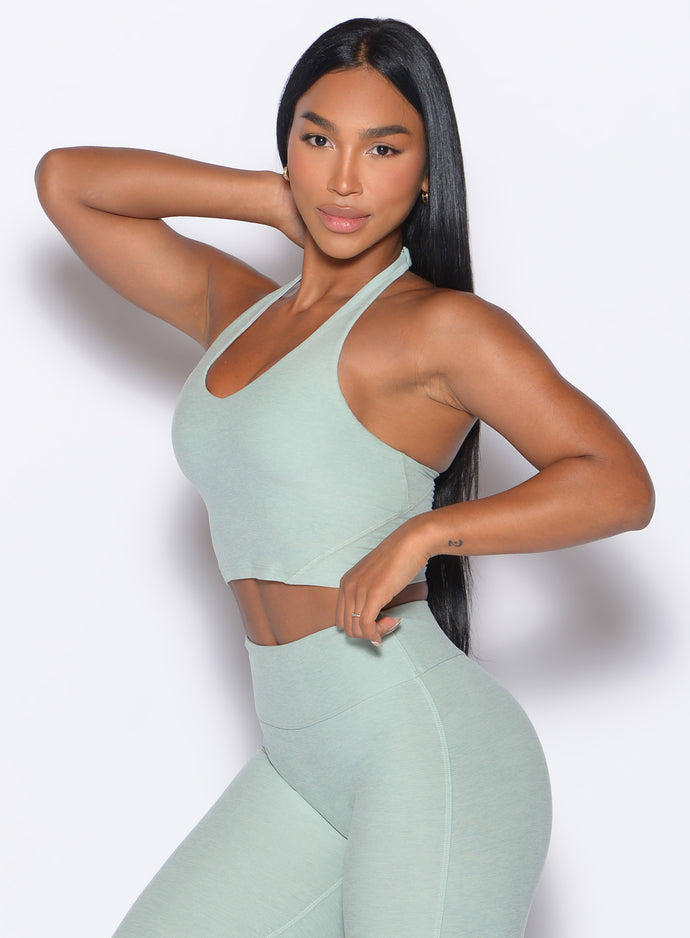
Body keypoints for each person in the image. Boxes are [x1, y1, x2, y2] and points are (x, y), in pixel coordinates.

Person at [34, 16, 653, 938]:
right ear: (286, 144)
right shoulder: (241, 312)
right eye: (319, 140)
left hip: (424, 750)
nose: (347, 178)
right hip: (298, 761)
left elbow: (619, 484)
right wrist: (267, 197)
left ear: (429, 170)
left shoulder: (441, 328)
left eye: (384, 148)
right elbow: (68, 182)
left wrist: (426, 533)